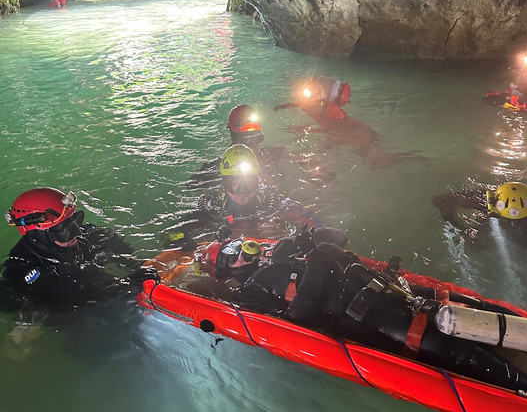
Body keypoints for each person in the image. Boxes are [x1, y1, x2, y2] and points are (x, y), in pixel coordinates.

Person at [235, 226, 527, 405]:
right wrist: (321, 259)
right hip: (373, 317)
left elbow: (337, 238)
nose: (244, 251)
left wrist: (314, 241)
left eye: (242, 246)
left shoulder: (283, 255)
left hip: (393, 292)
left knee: (477, 314)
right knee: (466, 353)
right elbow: (299, 319)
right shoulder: (253, 288)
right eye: (233, 254)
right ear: (226, 268)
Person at [1, 187, 154, 311]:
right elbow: (74, 299)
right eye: (65, 229)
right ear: (37, 234)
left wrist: (134, 263)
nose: (77, 233)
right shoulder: (23, 272)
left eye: (74, 222)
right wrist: (129, 285)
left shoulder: (77, 238)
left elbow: (107, 237)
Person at [169, 144, 322, 245]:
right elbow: (171, 234)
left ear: (257, 183)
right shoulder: (213, 209)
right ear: (225, 184)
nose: (242, 191)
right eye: (234, 183)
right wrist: (183, 240)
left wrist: (308, 238)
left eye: (247, 183)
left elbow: (312, 220)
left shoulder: (273, 203)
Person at [274, 76, 423, 167]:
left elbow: (329, 129)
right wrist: (283, 106)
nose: (305, 105)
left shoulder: (332, 112)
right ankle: (411, 157)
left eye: (308, 102)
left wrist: (305, 129)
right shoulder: (313, 104)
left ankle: (411, 158)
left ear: (319, 99)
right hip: (351, 132)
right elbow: (300, 104)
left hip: (357, 134)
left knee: (378, 161)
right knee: (374, 161)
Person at [188, 104, 333, 190]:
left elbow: (192, 186)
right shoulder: (273, 153)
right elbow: (305, 159)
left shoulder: (218, 165)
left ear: (231, 131)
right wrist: (322, 174)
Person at [432, 181, 527, 260]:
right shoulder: (482, 199)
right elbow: (441, 200)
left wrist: (455, 225)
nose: (514, 224)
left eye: (522, 220)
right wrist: (455, 224)